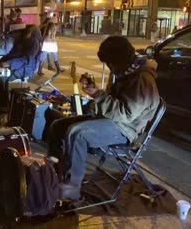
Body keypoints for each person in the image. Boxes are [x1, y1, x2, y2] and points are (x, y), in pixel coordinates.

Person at [46, 36, 160, 200]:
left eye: (110, 63)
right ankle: (55, 173)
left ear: (120, 60)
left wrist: (98, 95)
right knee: (58, 126)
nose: (110, 68)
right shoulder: (127, 71)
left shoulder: (142, 79)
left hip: (125, 129)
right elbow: (112, 102)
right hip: (111, 120)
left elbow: (125, 114)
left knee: (78, 133)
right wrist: (95, 92)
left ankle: (72, 187)